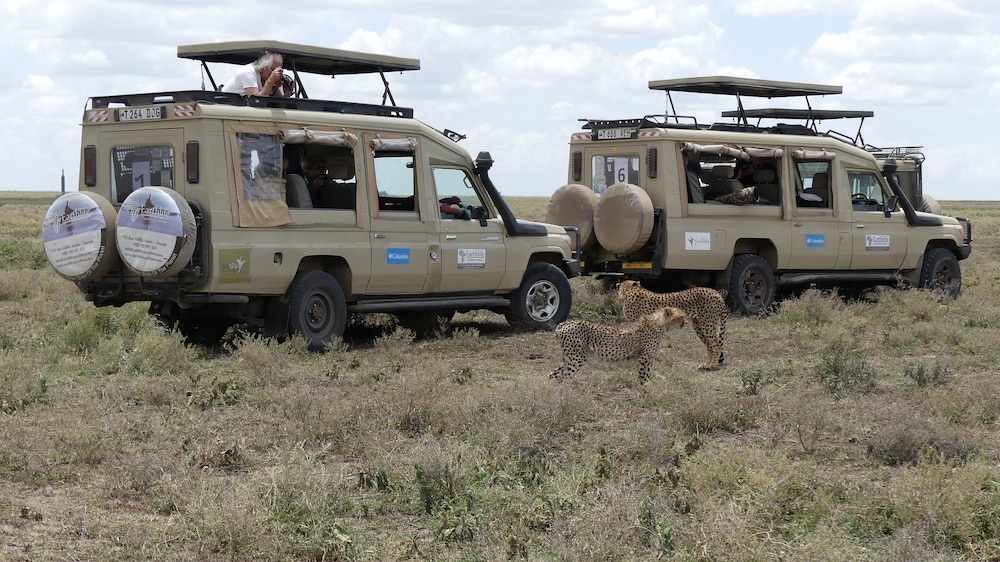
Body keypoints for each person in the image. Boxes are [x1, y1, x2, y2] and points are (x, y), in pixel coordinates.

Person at [221, 52, 293, 97]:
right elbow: (256, 101)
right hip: (226, 105)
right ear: (264, 66)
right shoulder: (247, 72)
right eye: (273, 69)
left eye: (279, 70)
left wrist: (276, 88)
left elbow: (280, 104)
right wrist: (270, 82)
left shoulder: (271, 77)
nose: (275, 73)